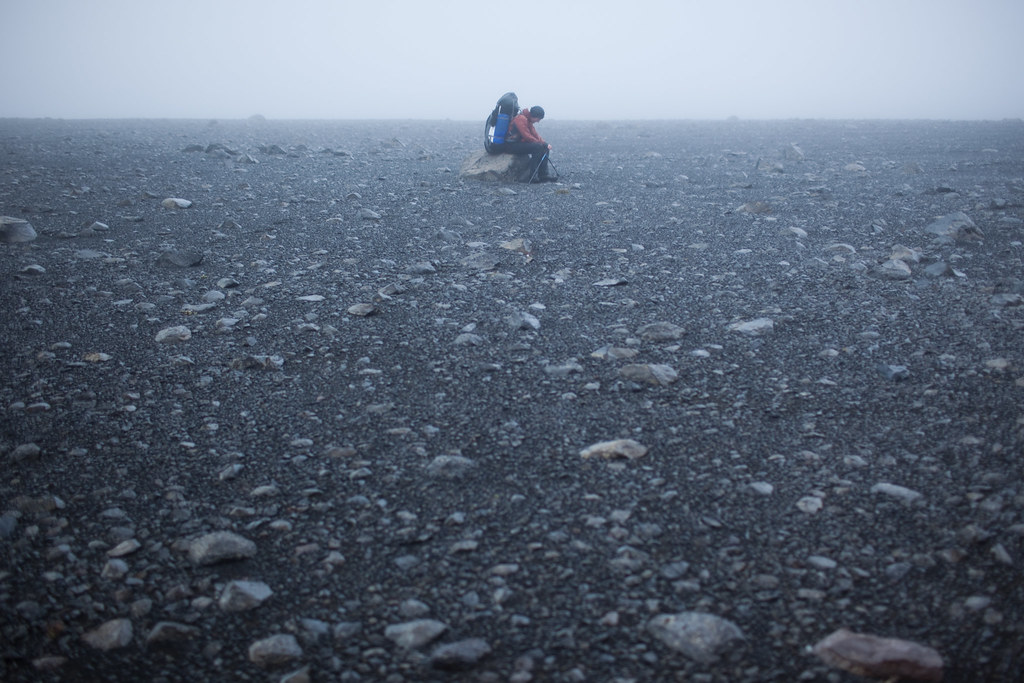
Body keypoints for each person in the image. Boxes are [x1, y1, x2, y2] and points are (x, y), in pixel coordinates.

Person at [502, 105, 556, 183]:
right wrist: (541, 144)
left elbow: (535, 134)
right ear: (534, 116)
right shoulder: (521, 119)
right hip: (510, 145)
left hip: (518, 143)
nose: (538, 121)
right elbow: (526, 136)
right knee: (537, 147)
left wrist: (545, 143)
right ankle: (533, 176)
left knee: (544, 147)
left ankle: (543, 175)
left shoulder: (527, 119)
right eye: (538, 119)